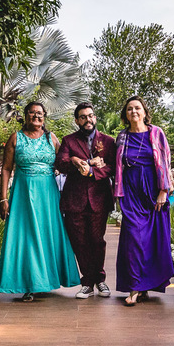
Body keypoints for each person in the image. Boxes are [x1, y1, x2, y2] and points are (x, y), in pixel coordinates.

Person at [0, 102, 80, 301]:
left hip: (48, 194)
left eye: (40, 113)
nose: (36, 116)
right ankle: (29, 283)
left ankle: (47, 280)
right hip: (23, 193)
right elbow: (6, 169)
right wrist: (3, 198)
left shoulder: (52, 138)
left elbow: (65, 160)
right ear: (25, 116)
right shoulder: (16, 138)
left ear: (45, 117)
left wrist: (80, 160)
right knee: (27, 236)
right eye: (32, 113)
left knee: (46, 233)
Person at [113, 97, 174, 306]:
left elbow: (165, 161)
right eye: (129, 109)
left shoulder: (156, 133)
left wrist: (164, 190)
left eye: (137, 108)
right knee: (133, 238)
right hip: (131, 190)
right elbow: (117, 166)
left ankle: (145, 285)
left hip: (154, 189)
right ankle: (134, 286)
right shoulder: (122, 137)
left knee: (152, 240)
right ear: (125, 114)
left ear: (145, 112)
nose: (134, 111)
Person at [56, 102, 116, 298]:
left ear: (95, 118)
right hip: (75, 200)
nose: (87, 119)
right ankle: (87, 282)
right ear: (76, 120)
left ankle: (100, 279)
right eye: (83, 116)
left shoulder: (107, 141)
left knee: (97, 241)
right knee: (80, 242)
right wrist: (82, 162)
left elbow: (113, 168)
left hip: (99, 198)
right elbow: (61, 164)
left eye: (90, 116)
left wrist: (92, 172)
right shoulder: (68, 141)